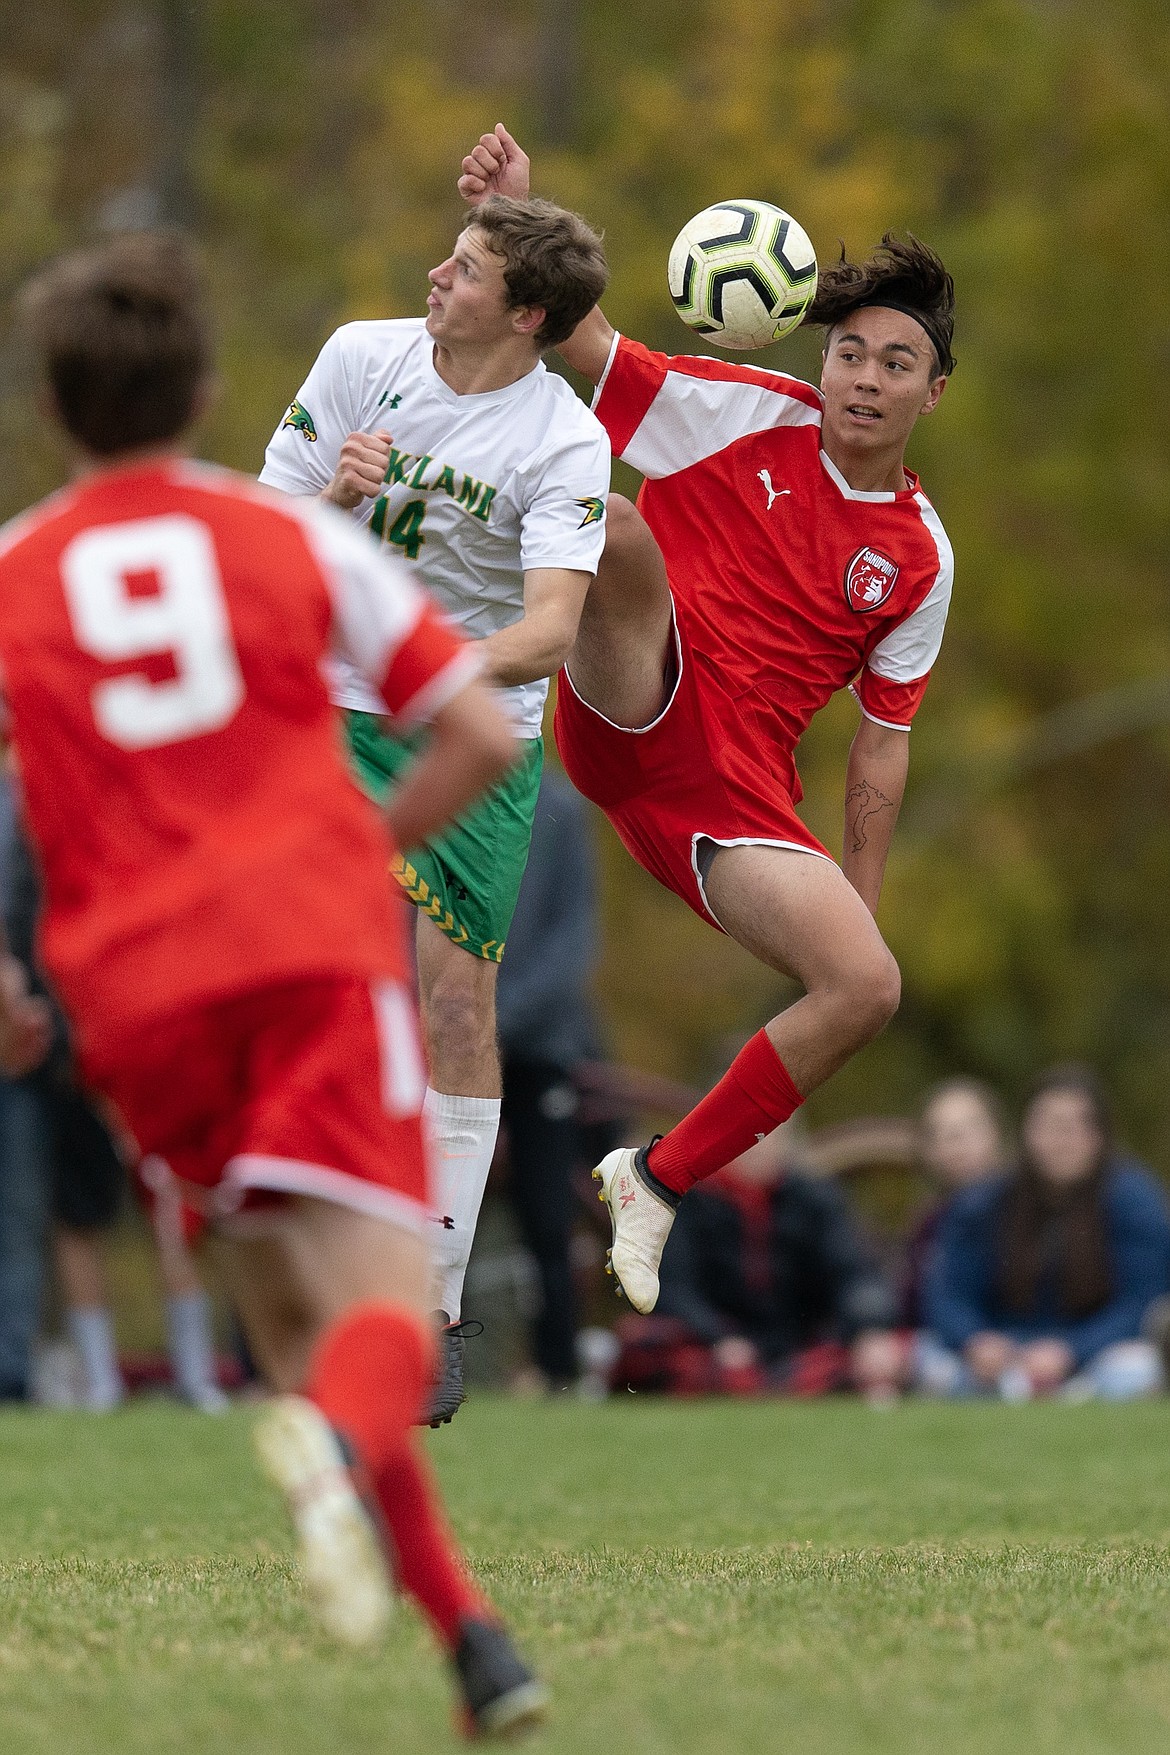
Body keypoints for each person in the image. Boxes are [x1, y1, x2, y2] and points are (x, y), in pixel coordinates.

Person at [0, 231, 546, 1738]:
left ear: (55, 403)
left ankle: (474, 1642)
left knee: (291, 1315)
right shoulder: (291, 537)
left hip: (130, 998)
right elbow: (483, 738)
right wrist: (343, 846)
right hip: (302, 955)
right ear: (207, 388)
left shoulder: (18, 567)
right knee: (371, 1322)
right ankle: (324, 1445)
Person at [458, 127, 955, 1314]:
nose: (865, 379)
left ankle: (658, 1179)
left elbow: (882, 745)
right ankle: (444, 632)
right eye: (849, 353)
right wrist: (523, 217)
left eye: (896, 364)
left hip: (729, 800)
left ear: (933, 393)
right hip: (640, 696)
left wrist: (857, 912)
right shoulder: (739, 409)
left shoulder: (923, 560)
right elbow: (577, 340)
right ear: (820, 360)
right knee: (617, 525)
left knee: (866, 989)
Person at [259, 185, 611, 1421]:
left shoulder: (563, 439)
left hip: (476, 728)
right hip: (333, 704)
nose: (433, 277)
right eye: (447, 258)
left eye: (462, 270)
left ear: (525, 316)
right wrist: (336, 501)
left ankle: (432, 1308)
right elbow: (261, 545)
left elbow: (551, 632)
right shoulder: (363, 359)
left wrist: (433, 684)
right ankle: (311, 1266)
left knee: (457, 998)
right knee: (308, 977)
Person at [922, 1066, 1170, 1400]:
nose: (1062, 1139)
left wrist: (1071, 1350)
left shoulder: (1135, 1201)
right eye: (1049, 1125)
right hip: (1000, 1358)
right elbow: (949, 1292)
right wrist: (975, 1341)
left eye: (1075, 1126)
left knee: (1138, 1369)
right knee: (929, 1358)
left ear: (1099, 1135)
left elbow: (1145, 1301)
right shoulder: (984, 1203)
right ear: (1026, 1131)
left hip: (1095, 1360)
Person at [616, 1120, 903, 1402]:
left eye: (771, 1134)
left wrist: (869, 1328)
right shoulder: (689, 1202)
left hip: (798, 1349)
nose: (759, 1145)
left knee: (884, 1353)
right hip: (711, 1348)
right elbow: (670, 1285)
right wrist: (717, 1337)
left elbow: (853, 1272)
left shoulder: (814, 1200)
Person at [495, 764, 601, 1391]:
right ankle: (420, 1360)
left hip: (542, 1046)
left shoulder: (561, 811)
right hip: (450, 1043)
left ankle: (558, 1367)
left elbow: (573, 942)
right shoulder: (442, 788)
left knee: (547, 1211)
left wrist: (496, 1017)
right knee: (433, 1210)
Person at [902, 1077, 1006, 1331]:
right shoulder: (928, 1225)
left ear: (996, 1134)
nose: (956, 1142)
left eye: (969, 1128)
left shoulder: (1023, 1212)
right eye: (941, 1133)